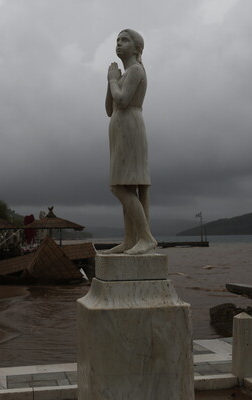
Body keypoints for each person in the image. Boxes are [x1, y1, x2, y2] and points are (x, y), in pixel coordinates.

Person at [104, 29, 157, 255]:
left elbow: (123, 100)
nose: (118, 43)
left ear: (137, 48)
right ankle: (130, 239)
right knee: (127, 185)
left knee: (119, 186)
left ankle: (145, 237)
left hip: (130, 125)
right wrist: (111, 82)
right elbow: (109, 108)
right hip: (119, 127)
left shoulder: (136, 70)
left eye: (124, 40)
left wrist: (112, 80)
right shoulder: (123, 76)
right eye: (117, 40)